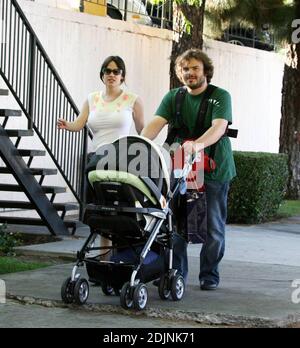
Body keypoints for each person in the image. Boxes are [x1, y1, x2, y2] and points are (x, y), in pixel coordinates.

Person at [141, 48, 236, 290]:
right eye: (185, 69)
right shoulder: (173, 97)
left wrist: (198, 145)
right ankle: (177, 273)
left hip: (213, 169)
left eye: (195, 68)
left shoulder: (220, 96)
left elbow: (218, 127)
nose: (189, 73)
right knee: (174, 224)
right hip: (178, 167)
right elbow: (155, 124)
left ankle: (209, 275)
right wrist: (140, 144)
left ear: (206, 71)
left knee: (212, 226)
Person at [57, 55, 144, 258]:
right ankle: (104, 260)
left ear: (122, 76)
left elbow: (143, 130)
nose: (111, 74)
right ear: (102, 74)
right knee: (102, 212)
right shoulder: (92, 98)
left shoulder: (132, 99)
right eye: (107, 70)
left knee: (119, 212)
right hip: (97, 162)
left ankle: (119, 256)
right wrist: (67, 125)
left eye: (116, 71)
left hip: (121, 161)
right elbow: (79, 123)